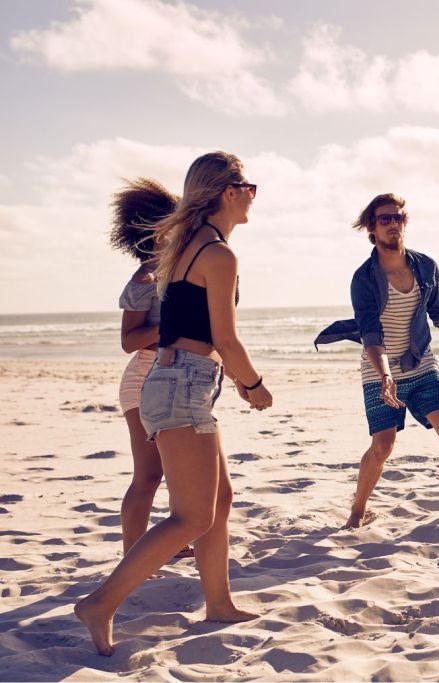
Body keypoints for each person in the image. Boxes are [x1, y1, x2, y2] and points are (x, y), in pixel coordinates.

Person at [76, 151, 272, 656]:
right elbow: (225, 340)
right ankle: (101, 603)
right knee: (190, 516)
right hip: (183, 385)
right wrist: (254, 386)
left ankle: (219, 602)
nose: (255, 194)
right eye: (250, 185)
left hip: (180, 383)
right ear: (229, 192)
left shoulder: (187, 248)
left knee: (218, 501)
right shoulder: (217, 255)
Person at [315, 193, 439, 529]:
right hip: (379, 370)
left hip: (420, 362)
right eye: (385, 219)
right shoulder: (363, 279)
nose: (393, 224)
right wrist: (385, 376)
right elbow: (371, 333)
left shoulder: (426, 266)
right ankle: (357, 511)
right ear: (372, 229)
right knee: (382, 446)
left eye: (399, 217)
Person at [109, 178, 193, 558]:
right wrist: (178, 326)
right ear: (160, 231)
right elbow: (129, 340)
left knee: (180, 470)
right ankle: (132, 554)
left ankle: (172, 542)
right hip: (143, 378)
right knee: (148, 475)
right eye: (178, 221)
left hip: (174, 378)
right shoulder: (145, 278)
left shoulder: (182, 269)